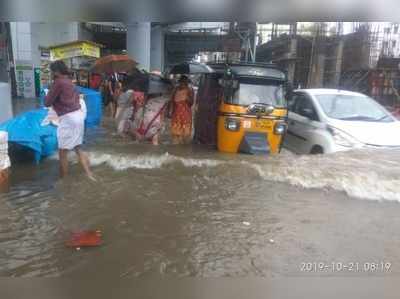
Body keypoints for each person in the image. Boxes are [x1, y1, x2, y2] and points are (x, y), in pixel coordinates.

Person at [45, 60, 95, 181]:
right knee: (78, 148)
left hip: (68, 118)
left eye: (52, 71)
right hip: (79, 116)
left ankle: (63, 180)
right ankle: (90, 175)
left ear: (56, 71)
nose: (51, 73)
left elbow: (47, 102)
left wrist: (48, 92)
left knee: (62, 153)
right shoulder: (70, 82)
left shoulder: (58, 82)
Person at [170, 75, 194, 144]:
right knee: (176, 135)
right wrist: (170, 111)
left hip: (185, 115)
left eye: (184, 82)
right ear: (180, 82)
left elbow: (191, 102)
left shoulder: (190, 90)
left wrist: (187, 98)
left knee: (185, 135)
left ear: (186, 83)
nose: (183, 84)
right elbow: (171, 101)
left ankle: (182, 147)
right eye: (182, 82)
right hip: (176, 115)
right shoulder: (175, 90)